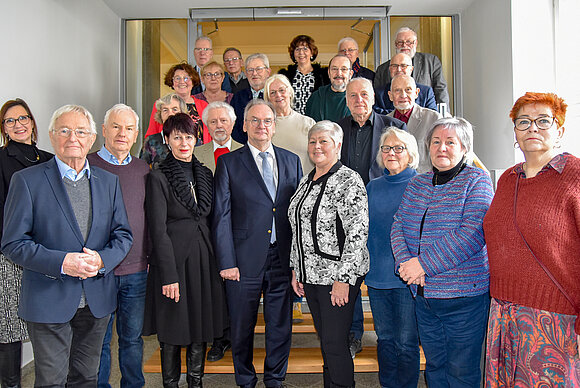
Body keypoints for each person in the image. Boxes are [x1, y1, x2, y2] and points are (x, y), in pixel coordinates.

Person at [1, 104, 133, 387]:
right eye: (65, 130)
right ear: (51, 135)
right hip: (48, 298)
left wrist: (101, 260)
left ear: (92, 138)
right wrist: (63, 263)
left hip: (96, 300)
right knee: (51, 380)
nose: (73, 137)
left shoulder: (108, 182)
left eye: (81, 131)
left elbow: (123, 235)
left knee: (86, 377)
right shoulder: (26, 181)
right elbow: (13, 242)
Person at [483, 92, 580, 387]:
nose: (532, 128)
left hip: (554, 317)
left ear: (559, 130)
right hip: (502, 313)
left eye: (543, 121)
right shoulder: (508, 178)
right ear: (515, 132)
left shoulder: (575, 176)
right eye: (523, 122)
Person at [391, 117, 493, 387]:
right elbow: (398, 225)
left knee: (461, 371)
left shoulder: (478, 180)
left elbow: (472, 233)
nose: (442, 148)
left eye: (450, 142)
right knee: (435, 366)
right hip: (424, 296)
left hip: (463, 297)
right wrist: (406, 263)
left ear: (464, 148)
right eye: (436, 142)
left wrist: (423, 265)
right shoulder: (418, 183)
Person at [213, 100, 302, 388]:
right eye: (254, 120)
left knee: (280, 325)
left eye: (266, 121)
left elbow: (296, 215)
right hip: (243, 259)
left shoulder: (292, 161)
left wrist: (297, 263)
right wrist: (227, 262)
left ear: (274, 127)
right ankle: (245, 379)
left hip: (282, 258)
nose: (261, 126)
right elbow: (221, 216)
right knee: (242, 326)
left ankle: (275, 378)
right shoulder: (228, 163)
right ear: (244, 125)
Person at [143, 113, 227, 388]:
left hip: (204, 258)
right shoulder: (157, 176)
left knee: (200, 325)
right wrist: (168, 275)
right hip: (173, 263)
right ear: (167, 140)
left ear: (196, 139)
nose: (183, 142)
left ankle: (196, 382)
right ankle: (170, 384)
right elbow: (157, 229)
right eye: (177, 137)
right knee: (173, 327)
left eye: (188, 137)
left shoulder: (205, 173)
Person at [288, 120, 369, 388]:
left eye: (324, 141)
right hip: (310, 276)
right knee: (327, 342)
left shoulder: (349, 179)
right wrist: (296, 269)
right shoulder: (305, 181)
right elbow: (298, 228)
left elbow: (357, 234)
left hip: (338, 278)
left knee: (335, 343)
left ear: (338, 145)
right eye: (313, 141)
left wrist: (344, 279)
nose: (317, 146)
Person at [336, 77, 406, 358]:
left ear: (374, 98)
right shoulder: (337, 129)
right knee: (349, 273)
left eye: (364, 94)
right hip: (345, 216)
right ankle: (353, 333)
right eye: (352, 96)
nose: (358, 100)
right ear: (347, 99)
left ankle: (392, 335)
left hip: (382, 212)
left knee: (383, 273)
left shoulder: (395, 128)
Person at [86, 104, 149, 388]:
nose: (122, 134)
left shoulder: (143, 169)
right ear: (103, 130)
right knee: (98, 340)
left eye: (128, 128)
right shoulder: (87, 165)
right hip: (99, 270)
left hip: (136, 270)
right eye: (115, 126)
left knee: (132, 339)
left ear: (136, 135)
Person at [0, 98, 53, 388]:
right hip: (11, 257)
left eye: (22, 118)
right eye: (10, 121)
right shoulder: (1, 159)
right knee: (9, 332)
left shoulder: (48, 159)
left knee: (47, 326)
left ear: (32, 123)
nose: (18, 124)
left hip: (47, 255)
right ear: (4, 129)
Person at [365, 128, 420, 388]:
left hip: (408, 279)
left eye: (398, 148)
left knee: (407, 341)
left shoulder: (422, 185)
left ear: (410, 155)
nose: (391, 153)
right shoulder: (372, 186)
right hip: (377, 278)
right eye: (386, 148)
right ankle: (388, 384)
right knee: (384, 338)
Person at [374, 27, 449, 107]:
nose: (404, 45)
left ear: (416, 43)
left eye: (409, 42)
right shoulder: (382, 69)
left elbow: (440, 90)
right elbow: (378, 97)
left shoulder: (431, 61)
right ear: (395, 45)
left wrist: (443, 116)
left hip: (424, 115)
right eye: (400, 42)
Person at [387, 74, 442, 172]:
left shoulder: (433, 119)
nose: (403, 95)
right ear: (390, 96)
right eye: (397, 90)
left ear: (416, 93)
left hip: (425, 182)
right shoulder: (384, 122)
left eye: (408, 90)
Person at [144, 62, 209, 145]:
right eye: (177, 78)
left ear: (193, 81)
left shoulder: (204, 105)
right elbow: (152, 133)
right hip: (167, 153)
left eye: (186, 78)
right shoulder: (161, 104)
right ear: (172, 82)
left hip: (199, 153)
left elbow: (209, 134)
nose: (182, 82)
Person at [264, 74, 316, 174]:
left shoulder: (308, 123)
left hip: (306, 184)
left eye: (282, 90)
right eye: (273, 93)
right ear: (268, 99)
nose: (278, 95)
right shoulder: (264, 127)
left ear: (290, 92)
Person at [278, 35, 329, 115]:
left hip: (315, 120)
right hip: (292, 120)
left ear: (311, 52)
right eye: (297, 49)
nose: (301, 52)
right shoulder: (285, 76)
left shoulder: (323, 75)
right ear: (293, 54)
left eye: (305, 49)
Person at [230, 53, 272, 144]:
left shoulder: (274, 96)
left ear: (268, 72)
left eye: (258, 69)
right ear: (245, 74)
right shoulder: (238, 97)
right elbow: (233, 126)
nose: (254, 73)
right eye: (250, 70)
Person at [140, 93, 188, 166]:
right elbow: (141, 170)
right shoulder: (151, 141)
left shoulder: (191, 141)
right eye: (165, 110)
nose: (170, 114)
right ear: (160, 115)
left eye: (174, 109)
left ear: (182, 113)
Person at [196, 101, 243, 173]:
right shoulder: (196, 153)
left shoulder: (246, 152)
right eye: (213, 122)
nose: (219, 125)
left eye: (223, 120)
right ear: (207, 126)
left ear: (232, 123)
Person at [305, 55, 353, 122]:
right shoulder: (315, 97)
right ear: (329, 73)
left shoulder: (357, 100)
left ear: (350, 74)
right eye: (334, 69)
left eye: (344, 69)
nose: (339, 73)